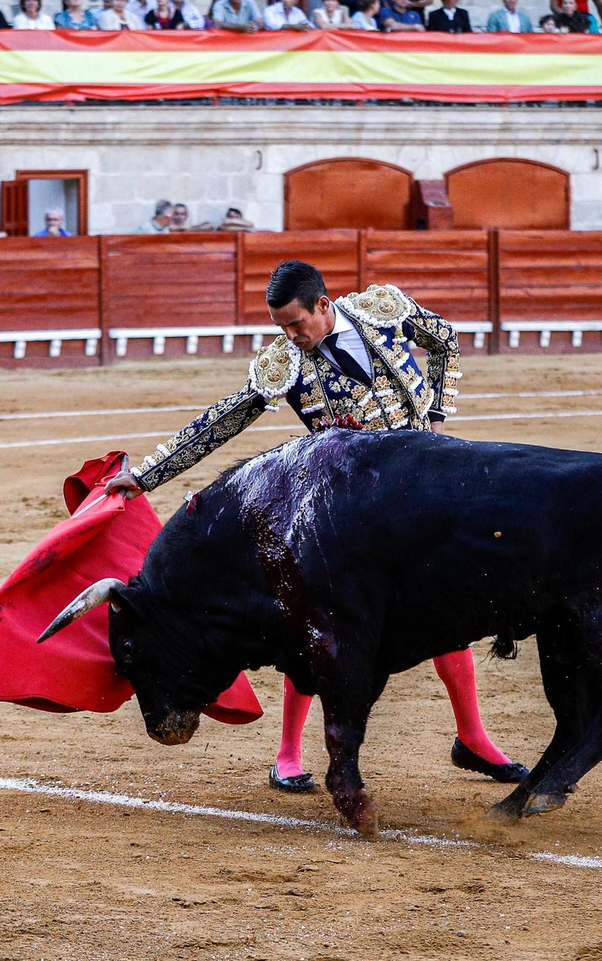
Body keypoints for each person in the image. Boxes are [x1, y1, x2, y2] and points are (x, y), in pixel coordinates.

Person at [102, 260, 527, 794]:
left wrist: (437, 416)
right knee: (309, 621)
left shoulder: (383, 310)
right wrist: (147, 475)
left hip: (419, 494)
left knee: (443, 608)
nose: (292, 336)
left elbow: (444, 339)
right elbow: (224, 420)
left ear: (325, 306)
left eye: (297, 324)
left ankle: (472, 738)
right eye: (282, 327)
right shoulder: (285, 362)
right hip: (343, 512)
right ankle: (287, 754)